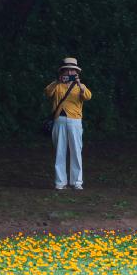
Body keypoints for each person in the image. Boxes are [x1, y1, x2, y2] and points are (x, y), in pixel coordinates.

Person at [44, 56, 91, 190]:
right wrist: (56, 82)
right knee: (60, 151)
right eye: (67, 70)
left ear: (76, 73)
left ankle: (77, 183)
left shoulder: (80, 86)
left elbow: (88, 96)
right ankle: (60, 183)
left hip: (75, 121)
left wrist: (79, 85)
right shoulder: (57, 84)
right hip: (59, 120)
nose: (70, 73)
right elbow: (47, 92)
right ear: (62, 71)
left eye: (73, 70)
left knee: (76, 151)